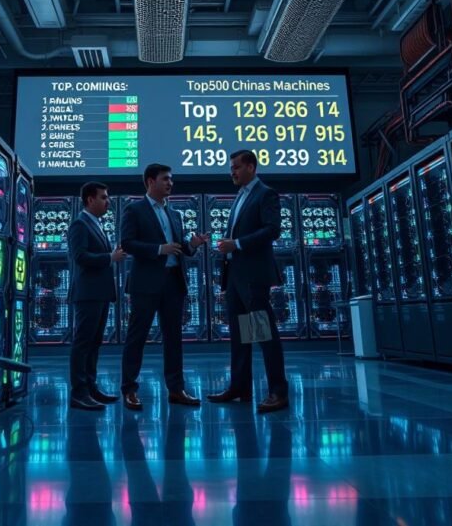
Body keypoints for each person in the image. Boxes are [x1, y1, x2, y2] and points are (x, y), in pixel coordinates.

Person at [120, 163, 209, 411]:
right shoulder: (134, 210)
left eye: (171, 179)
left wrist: (192, 245)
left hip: (173, 282)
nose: (170, 183)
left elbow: (180, 249)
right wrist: (159, 249)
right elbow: (127, 243)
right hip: (145, 284)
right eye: (165, 179)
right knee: (136, 337)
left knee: (174, 338)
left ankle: (176, 389)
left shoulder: (175, 214)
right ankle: (129, 390)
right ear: (150, 181)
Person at [207, 150, 289, 413]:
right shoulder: (240, 196)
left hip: (253, 276)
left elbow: (272, 230)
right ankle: (240, 387)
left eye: (236, 167)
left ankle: (278, 391)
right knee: (241, 336)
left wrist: (237, 243)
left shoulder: (266, 193)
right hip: (236, 277)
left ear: (251, 167)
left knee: (264, 335)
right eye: (231, 168)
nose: (232, 172)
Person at [67, 181, 126, 410]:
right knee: (83, 343)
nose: (107, 201)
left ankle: (90, 388)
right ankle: (79, 393)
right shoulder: (79, 225)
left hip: (99, 293)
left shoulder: (97, 225)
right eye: (103, 197)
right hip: (87, 294)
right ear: (90, 200)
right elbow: (80, 257)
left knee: (94, 343)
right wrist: (110, 257)